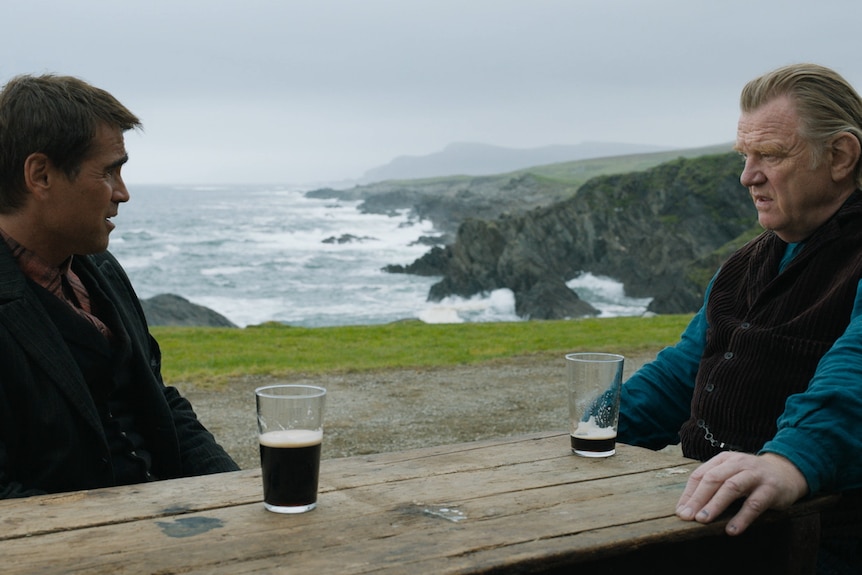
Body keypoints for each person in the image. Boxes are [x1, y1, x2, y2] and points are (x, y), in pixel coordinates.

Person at [617, 63, 862, 571]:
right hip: (717, 525)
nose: (748, 175)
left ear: (840, 156)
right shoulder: (745, 263)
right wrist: (595, 424)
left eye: (770, 155)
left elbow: (855, 372)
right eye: (745, 155)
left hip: (826, 536)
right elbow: (683, 372)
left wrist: (789, 462)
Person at [0, 74, 239, 499]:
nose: (123, 194)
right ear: (40, 175)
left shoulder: (101, 270)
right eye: (109, 172)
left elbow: (160, 403)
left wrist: (236, 492)